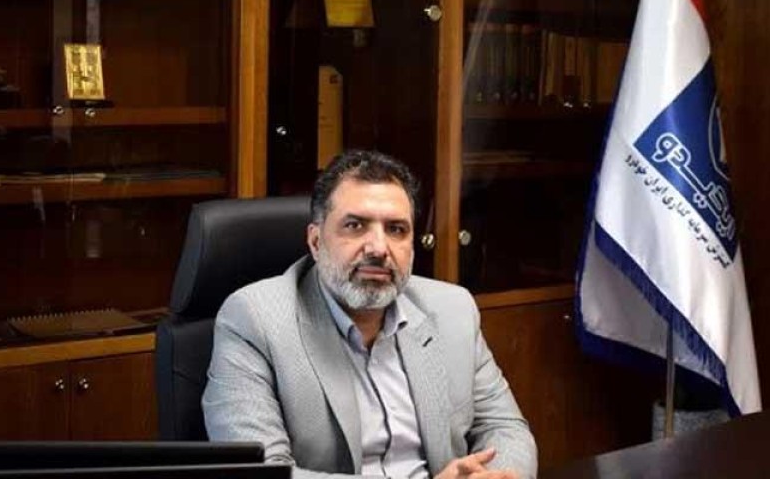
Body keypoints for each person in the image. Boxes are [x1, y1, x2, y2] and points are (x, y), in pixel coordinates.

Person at [203, 149, 537, 479]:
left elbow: (504, 428)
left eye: (396, 229)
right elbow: (263, 473)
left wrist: (495, 477)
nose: (378, 248)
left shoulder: (453, 310)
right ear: (316, 242)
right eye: (355, 225)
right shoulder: (254, 320)